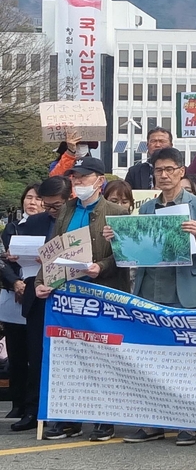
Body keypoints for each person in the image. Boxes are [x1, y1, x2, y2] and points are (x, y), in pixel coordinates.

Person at [107, 147, 196, 447]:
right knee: (151, 359)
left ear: (182, 171)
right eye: (159, 170)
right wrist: (118, 239)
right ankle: (153, 422)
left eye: (170, 169)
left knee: (184, 361)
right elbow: (136, 252)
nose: (164, 175)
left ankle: (187, 423)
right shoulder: (145, 209)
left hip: (184, 292)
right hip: (149, 290)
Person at [34, 157, 131, 441]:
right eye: (75, 178)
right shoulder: (67, 209)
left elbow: (124, 254)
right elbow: (54, 249)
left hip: (103, 292)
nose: (78, 183)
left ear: (99, 181)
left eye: (84, 178)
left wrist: (101, 266)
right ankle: (70, 418)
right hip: (69, 293)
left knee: (104, 355)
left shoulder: (116, 212)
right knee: (72, 354)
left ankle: (105, 418)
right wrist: (42, 281)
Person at [8, 176, 72, 432]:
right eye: (46, 205)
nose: (50, 210)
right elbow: (15, 257)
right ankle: (33, 411)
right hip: (37, 292)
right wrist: (16, 257)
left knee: (64, 357)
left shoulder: (76, 220)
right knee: (36, 356)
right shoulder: (33, 222)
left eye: (55, 206)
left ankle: (63, 413)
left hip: (68, 295)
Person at [0, 184, 41, 422]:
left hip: (38, 292)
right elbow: (3, 259)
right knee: (16, 352)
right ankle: (17, 402)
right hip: (13, 293)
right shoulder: (12, 228)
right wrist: (15, 283)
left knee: (35, 351)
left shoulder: (51, 226)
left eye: (37, 198)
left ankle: (32, 404)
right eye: (28, 198)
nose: (32, 202)